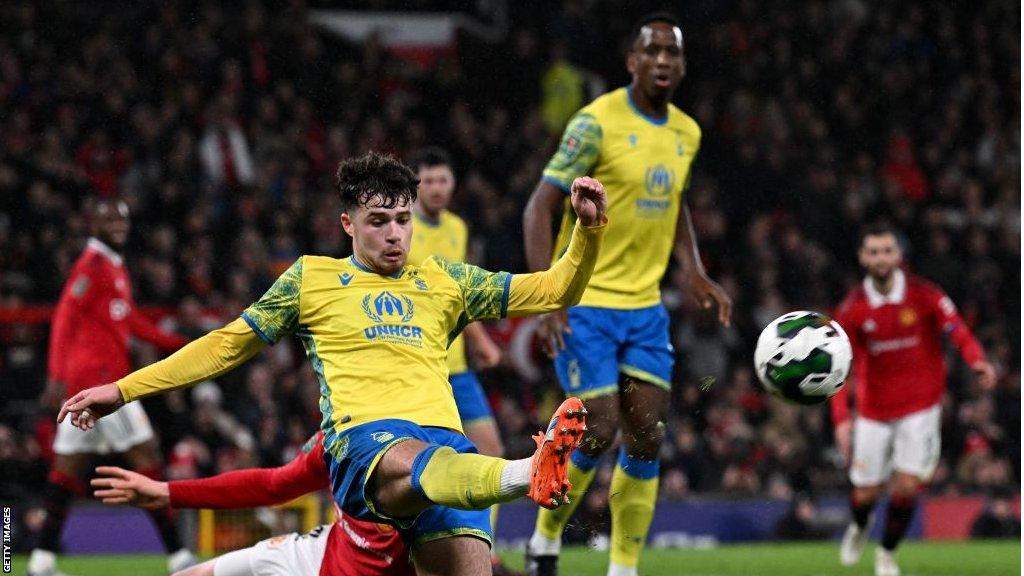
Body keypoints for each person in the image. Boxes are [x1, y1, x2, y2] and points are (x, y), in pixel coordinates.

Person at [59, 152, 608, 575]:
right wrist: (125, 389)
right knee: (410, 457)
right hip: (366, 444)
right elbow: (226, 344)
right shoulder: (310, 279)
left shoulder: (446, 279)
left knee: (446, 486)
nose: (394, 234)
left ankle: (520, 474)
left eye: (402, 219)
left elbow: (554, 288)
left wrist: (585, 231)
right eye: (377, 221)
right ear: (348, 224)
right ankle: (523, 472)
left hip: (447, 452)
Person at [521, 13, 731, 576]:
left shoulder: (687, 131)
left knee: (646, 437)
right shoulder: (595, 122)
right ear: (632, 61)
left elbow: (676, 198)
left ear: (682, 66)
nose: (662, 60)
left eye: (672, 52)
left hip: (644, 307)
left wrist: (692, 266)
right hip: (585, 301)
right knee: (602, 425)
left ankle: (623, 568)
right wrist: (548, 298)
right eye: (651, 51)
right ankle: (545, 535)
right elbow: (538, 207)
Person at [28, 198, 197, 576]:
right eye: (110, 220)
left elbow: (130, 320)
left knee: (64, 473)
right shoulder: (92, 265)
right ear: (94, 224)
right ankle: (178, 556)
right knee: (148, 459)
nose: (119, 225)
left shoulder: (113, 265)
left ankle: (40, 560)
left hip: (94, 384)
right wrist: (56, 376)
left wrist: (177, 345)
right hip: (102, 385)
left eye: (123, 219)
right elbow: (64, 317)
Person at [831, 223, 997, 576]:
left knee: (907, 485)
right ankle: (860, 526)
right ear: (863, 257)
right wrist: (842, 419)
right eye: (873, 252)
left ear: (899, 255)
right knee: (865, 494)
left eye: (887, 251)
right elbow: (839, 368)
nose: (881, 258)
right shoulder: (853, 309)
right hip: (874, 411)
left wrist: (977, 360)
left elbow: (958, 330)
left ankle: (887, 554)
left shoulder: (925, 295)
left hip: (920, 408)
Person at [406, 147, 520, 575]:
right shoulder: (404, 230)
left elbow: (460, 291)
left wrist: (478, 341)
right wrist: (483, 339)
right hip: (421, 367)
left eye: (443, 180)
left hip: (458, 368)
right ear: (416, 186)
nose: (436, 188)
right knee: (423, 466)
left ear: (453, 185)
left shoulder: (456, 228)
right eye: (428, 181)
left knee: (489, 452)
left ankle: (483, 551)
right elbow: (437, 292)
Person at [91, 431, 414, 576]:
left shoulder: (429, 471)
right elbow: (272, 485)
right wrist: (166, 491)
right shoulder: (337, 440)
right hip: (320, 554)